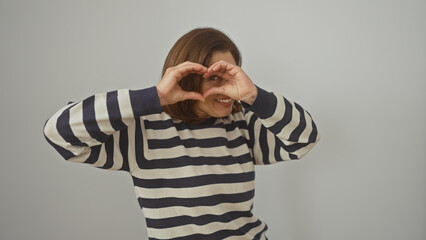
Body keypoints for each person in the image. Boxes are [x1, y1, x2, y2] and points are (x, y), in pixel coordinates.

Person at [43, 27, 320, 240]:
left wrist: (253, 95)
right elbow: (60, 134)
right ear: (187, 77)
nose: (226, 89)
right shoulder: (145, 131)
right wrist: (155, 96)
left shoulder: (242, 124)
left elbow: (304, 138)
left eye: (231, 76)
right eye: (214, 78)